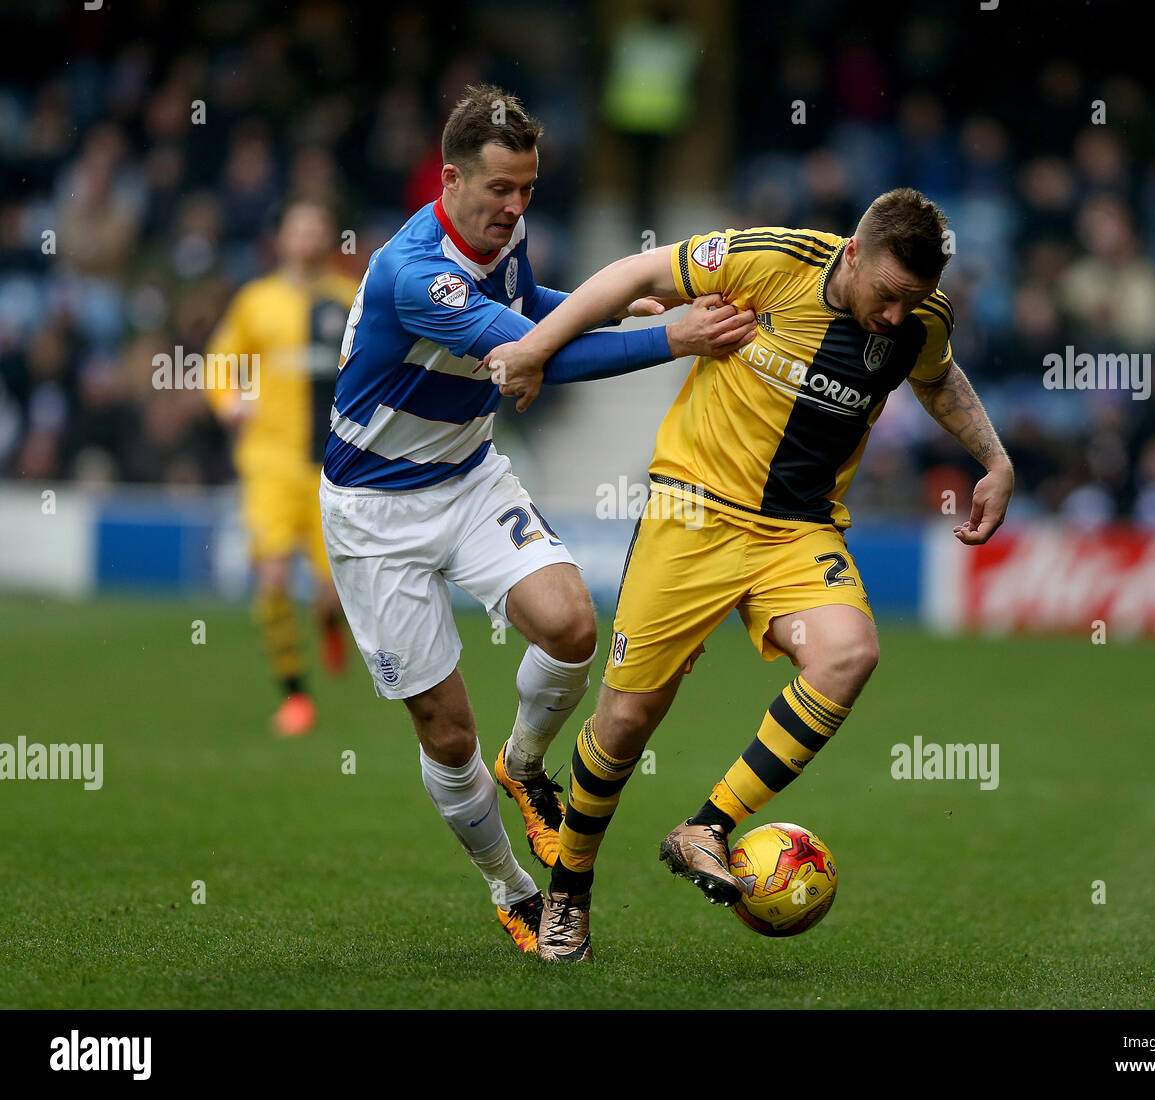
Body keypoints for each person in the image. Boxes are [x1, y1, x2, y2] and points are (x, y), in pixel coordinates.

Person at [489, 188, 1015, 961]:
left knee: (850, 653)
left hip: (797, 534)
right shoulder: (772, 260)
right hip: (693, 513)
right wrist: (535, 348)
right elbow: (631, 274)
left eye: (915, 300)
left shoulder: (919, 322)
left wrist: (994, 459)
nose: (898, 315)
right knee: (626, 724)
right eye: (889, 295)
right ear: (854, 254)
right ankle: (569, 888)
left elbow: (936, 376)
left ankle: (707, 824)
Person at [318, 85, 755, 952]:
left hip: (469, 475)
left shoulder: (502, 236)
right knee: (447, 733)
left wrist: (599, 305)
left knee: (569, 624)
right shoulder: (417, 274)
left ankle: (526, 766)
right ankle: (511, 887)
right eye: (499, 191)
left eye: (527, 190)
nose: (515, 209)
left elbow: (529, 306)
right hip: (376, 515)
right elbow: (525, 354)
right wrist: (670, 338)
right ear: (449, 179)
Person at [206, 199, 357, 737]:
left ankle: (329, 622)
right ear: (283, 238)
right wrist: (228, 402)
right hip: (269, 462)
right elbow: (222, 360)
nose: (309, 237)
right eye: (300, 227)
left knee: (334, 591)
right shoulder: (257, 301)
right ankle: (295, 696)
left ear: (327, 238)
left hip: (330, 467)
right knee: (271, 577)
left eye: (318, 228)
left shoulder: (348, 299)